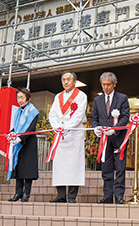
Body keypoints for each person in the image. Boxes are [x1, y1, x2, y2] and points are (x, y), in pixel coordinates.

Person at [48, 71, 88, 203]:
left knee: (74, 164)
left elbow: (78, 115)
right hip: (60, 134)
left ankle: (71, 196)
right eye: (63, 80)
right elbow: (52, 114)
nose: (66, 82)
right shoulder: (57, 96)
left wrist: (66, 127)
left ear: (74, 81)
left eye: (68, 79)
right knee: (60, 164)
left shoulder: (81, 96)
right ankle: (60, 195)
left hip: (74, 133)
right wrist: (56, 127)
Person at [91, 72, 130, 204]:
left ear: (114, 84)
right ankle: (107, 196)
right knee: (106, 168)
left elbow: (125, 117)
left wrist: (115, 129)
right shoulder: (97, 100)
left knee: (119, 167)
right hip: (104, 140)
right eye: (103, 85)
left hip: (118, 138)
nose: (106, 87)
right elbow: (94, 118)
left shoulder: (122, 98)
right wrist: (96, 128)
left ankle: (119, 195)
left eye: (108, 84)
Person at [8, 88, 39, 202]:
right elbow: (16, 127)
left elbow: (31, 128)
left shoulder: (33, 111)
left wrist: (20, 138)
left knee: (28, 170)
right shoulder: (18, 111)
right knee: (19, 168)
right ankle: (18, 192)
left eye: (22, 97)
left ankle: (26, 193)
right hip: (18, 143)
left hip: (28, 143)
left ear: (28, 98)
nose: (19, 100)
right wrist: (11, 133)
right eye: (18, 98)